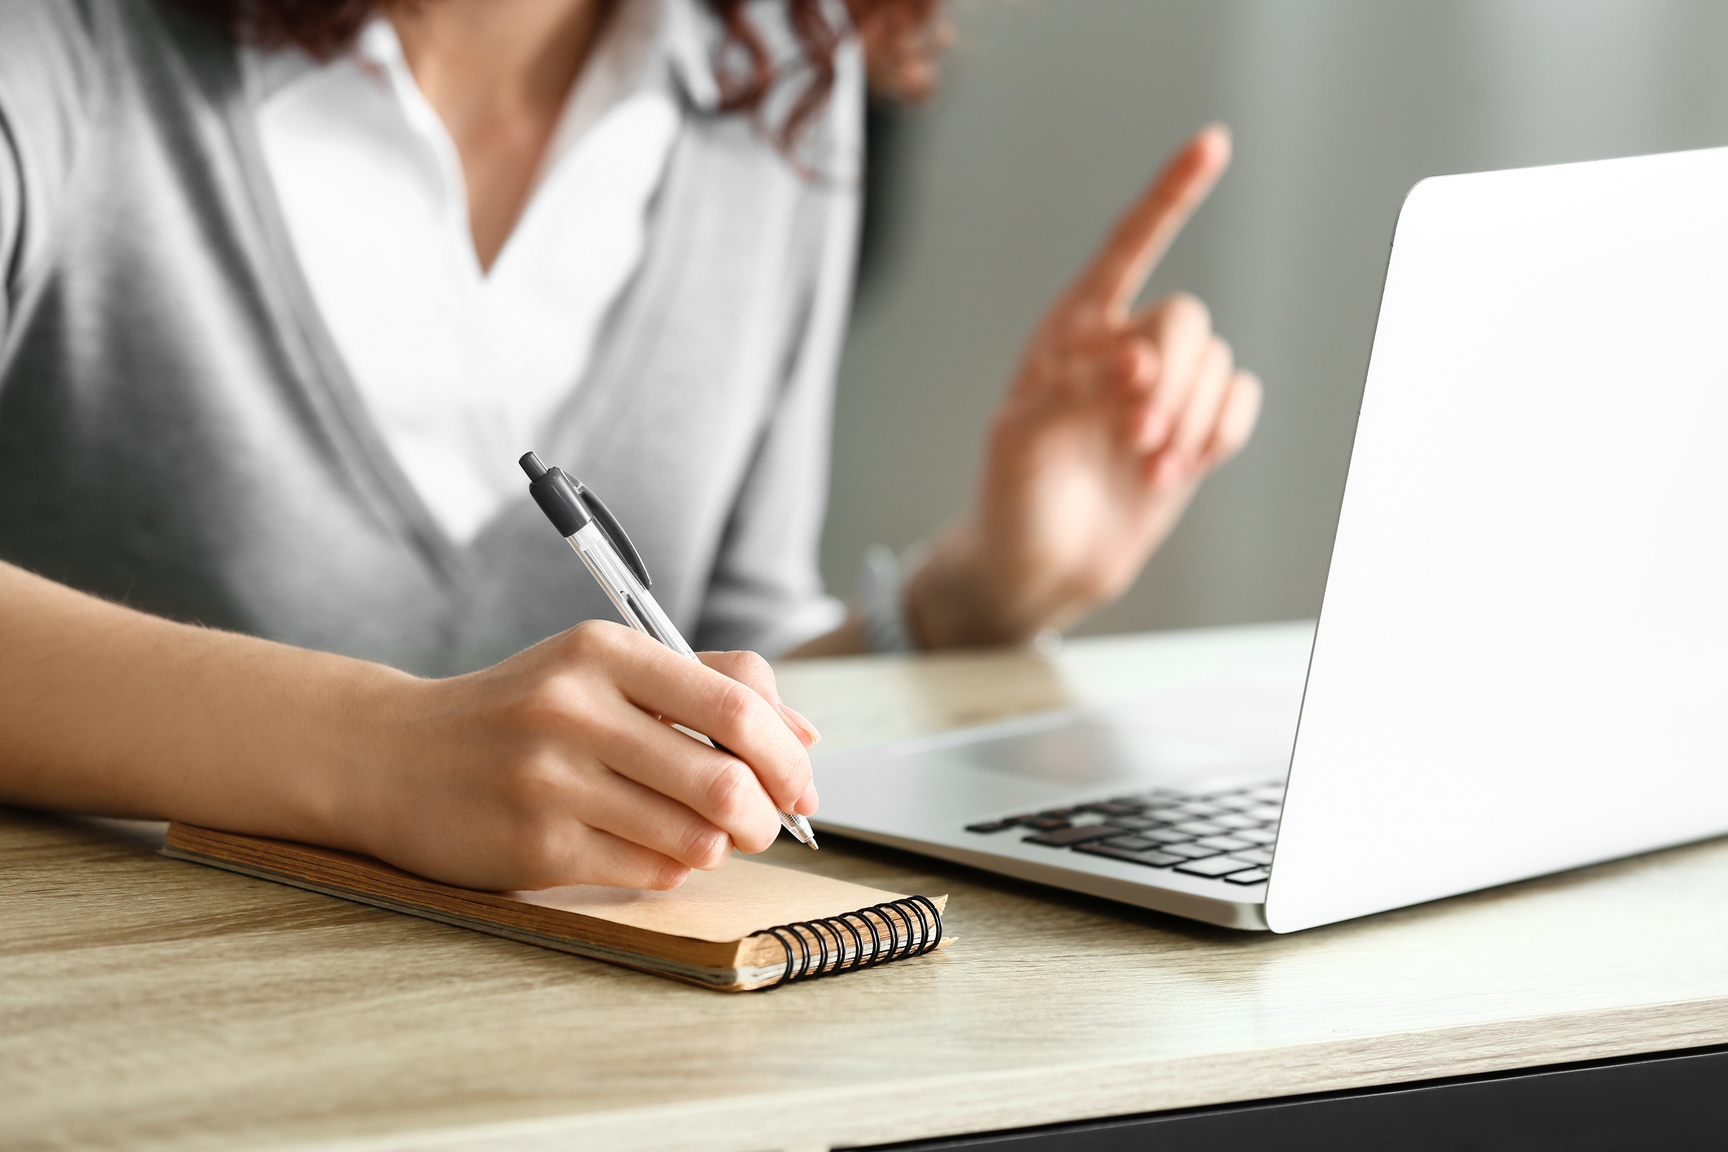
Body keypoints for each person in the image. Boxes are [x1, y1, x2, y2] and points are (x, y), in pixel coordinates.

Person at [0, 0, 1261, 893]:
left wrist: (967, 599)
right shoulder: (63, 46)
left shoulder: (777, 71)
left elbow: (713, 656)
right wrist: (384, 755)